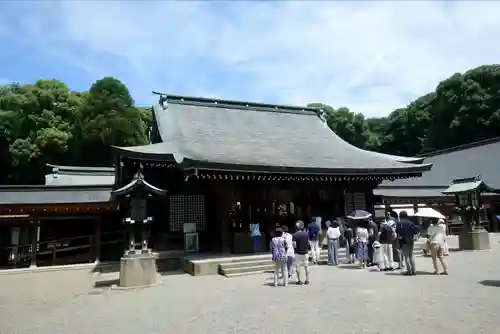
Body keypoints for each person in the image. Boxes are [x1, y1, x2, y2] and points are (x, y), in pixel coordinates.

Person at [396, 211, 419, 276]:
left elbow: (397, 231)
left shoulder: (399, 223)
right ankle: (414, 270)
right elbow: (415, 231)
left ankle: (409, 271)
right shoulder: (410, 222)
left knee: (406, 256)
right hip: (411, 241)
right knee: (411, 255)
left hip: (403, 241)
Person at [293, 221, 310, 285]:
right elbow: (308, 243)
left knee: (298, 266)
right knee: (306, 266)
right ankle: (307, 280)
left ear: (296, 227)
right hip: (305, 252)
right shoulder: (306, 234)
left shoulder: (295, 235)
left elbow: (294, 244)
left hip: (298, 253)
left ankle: (299, 280)